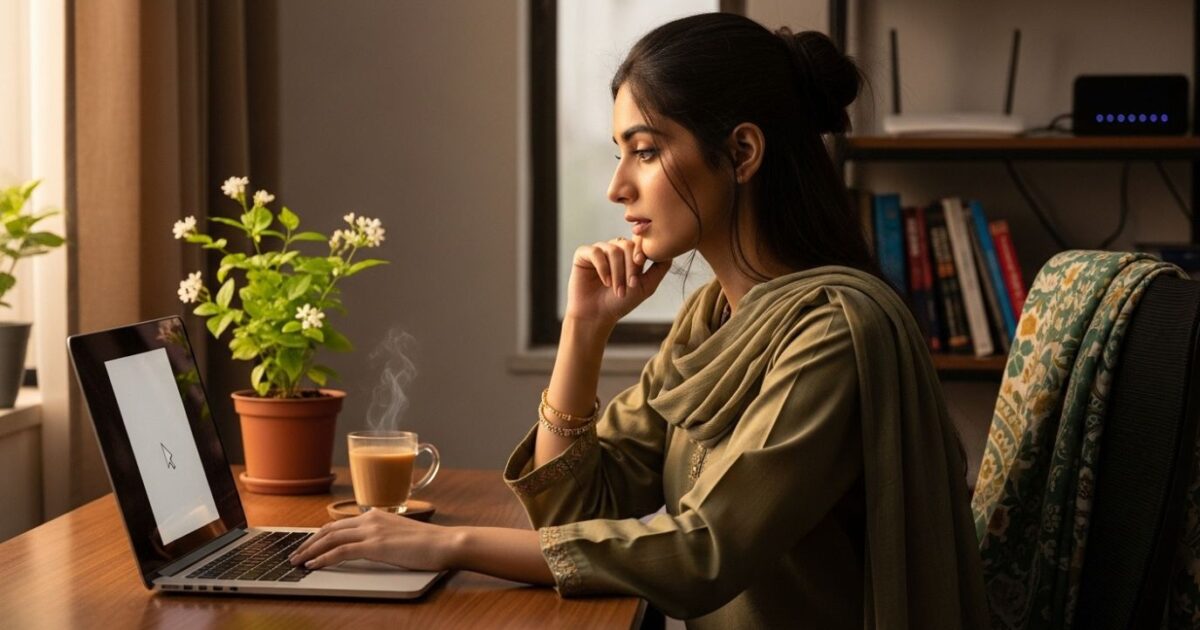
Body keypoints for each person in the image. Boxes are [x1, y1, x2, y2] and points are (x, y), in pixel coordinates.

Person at [290, 13, 988, 628]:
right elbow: (571, 515)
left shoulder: (834, 332)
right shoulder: (711, 317)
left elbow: (703, 550)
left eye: (646, 150)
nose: (617, 185)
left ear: (742, 153)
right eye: (621, 151)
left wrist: (448, 542)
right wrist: (583, 331)